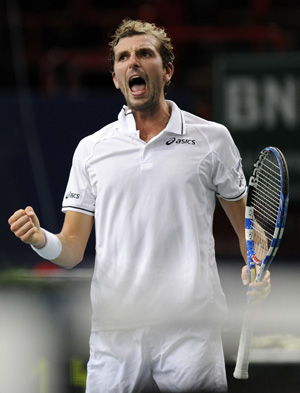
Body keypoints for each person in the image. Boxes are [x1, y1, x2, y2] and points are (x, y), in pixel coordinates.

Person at [8, 19, 271, 393]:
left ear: (167, 71)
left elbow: (247, 226)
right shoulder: (92, 149)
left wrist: (257, 266)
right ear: (116, 78)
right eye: (123, 57)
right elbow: (70, 250)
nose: (133, 62)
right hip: (115, 330)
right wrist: (40, 238)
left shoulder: (213, 140)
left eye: (144, 53)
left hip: (190, 327)